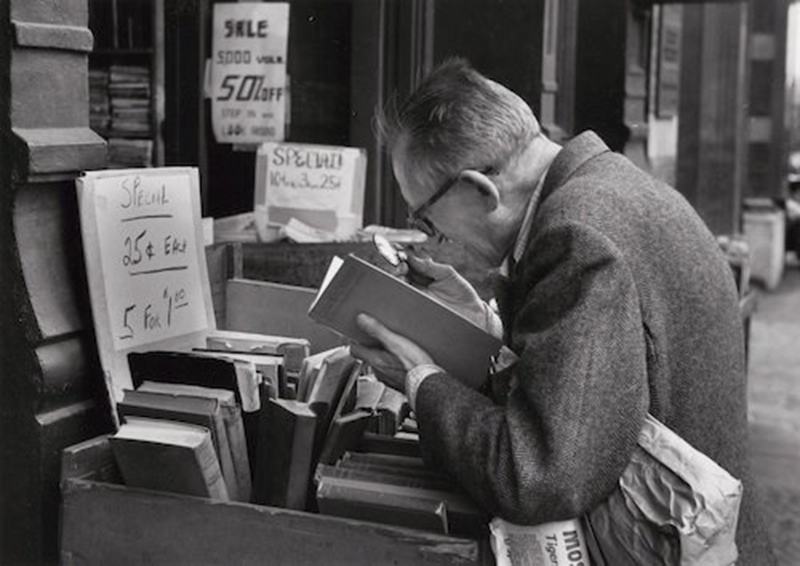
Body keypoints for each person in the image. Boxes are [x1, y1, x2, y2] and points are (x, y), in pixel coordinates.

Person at [350, 58, 775, 564]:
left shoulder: (579, 237)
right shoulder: (612, 189)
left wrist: (420, 380)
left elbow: (537, 477)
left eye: (426, 217)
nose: (432, 238)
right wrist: (483, 331)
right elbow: (595, 395)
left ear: (481, 190)